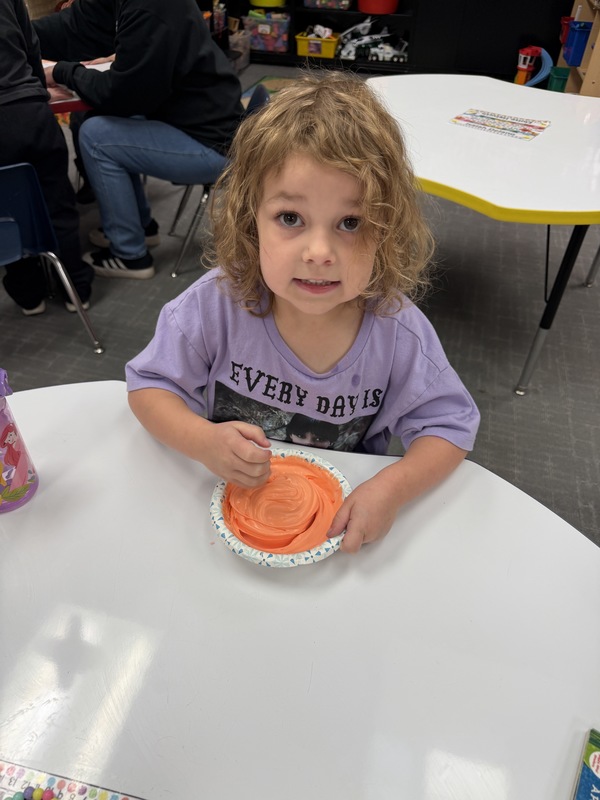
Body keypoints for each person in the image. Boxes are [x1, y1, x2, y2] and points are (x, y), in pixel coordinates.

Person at [125, 72, 480, 553]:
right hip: (218, 513)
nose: (319, 251)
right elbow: (150, 387)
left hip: (334, 528)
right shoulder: (215, 304)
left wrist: (392, 488)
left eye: (350, 223)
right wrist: (201, 441)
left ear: (387, 228)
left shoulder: (397, 330)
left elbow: (449, 428)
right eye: (290, 218)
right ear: (251, 220)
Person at [33, 0, 244, 279]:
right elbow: (82, 24)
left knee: (97, 137)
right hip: (199, 122)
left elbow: (122, 96)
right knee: (97, 122)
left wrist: (63, 71)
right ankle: (142, 228)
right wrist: (116, 63)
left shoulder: (149, 8)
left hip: (213, 146)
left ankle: (130, 255)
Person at [0, 0, 93, 315]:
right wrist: (36, 91)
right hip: (30, 111)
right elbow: (30, 46)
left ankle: (29, 295)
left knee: (6, 212)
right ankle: (76, 289)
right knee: (58, 203)